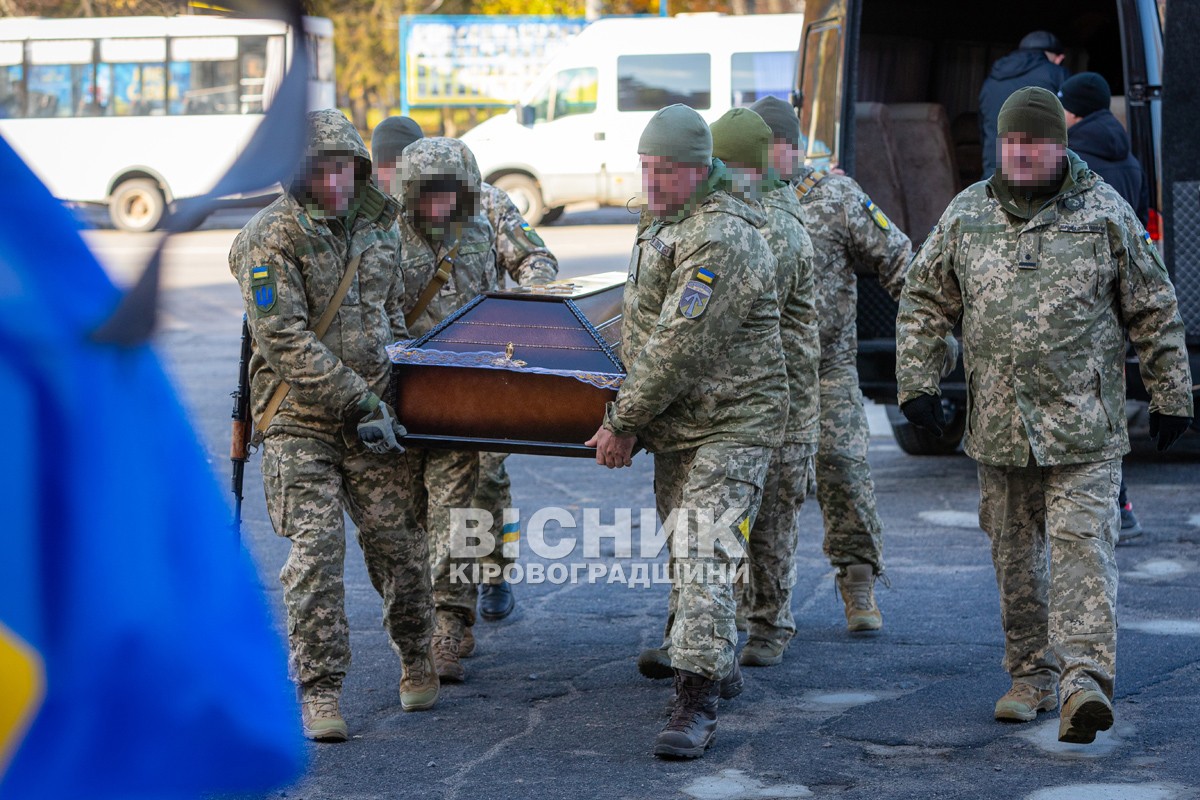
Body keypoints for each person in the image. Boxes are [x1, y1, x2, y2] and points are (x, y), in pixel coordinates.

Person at [895, 87, 1193, 744]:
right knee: (1014, 560)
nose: (1023, 153)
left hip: (1084, 426)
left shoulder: (1104, 213)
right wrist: (918, 384)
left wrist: (1171, 392)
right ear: (1000, 145)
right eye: (1013, 142)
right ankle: (1030, 676)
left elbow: (1154, 305)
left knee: (1083, 549)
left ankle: (1084, 682)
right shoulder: (966, 215)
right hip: (1000, 429)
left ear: (1061, 145)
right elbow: (923, 302)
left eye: (1036, 142)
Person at [229, 109, 440, 742]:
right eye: (322, 168)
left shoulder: (381, 229)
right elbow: (285, 338)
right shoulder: (265, 239)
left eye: (346, 166)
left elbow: (393, 314)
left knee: (399, 546)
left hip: (376, 418)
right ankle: (319, 690)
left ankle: (416, 652)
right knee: (316, 552)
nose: (337, 179)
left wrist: (416, 390)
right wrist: (361, 400)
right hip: (301, 419)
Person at [587, 103, 788, 759]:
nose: (651, 181)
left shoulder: (722, 236)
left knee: (704, 548)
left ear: (700, 169)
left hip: (734, 422)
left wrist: (623, 420)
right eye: (645, 167)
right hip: (681, 421)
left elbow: (680, 344)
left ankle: (694, 704)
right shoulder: (666, 220)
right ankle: (716, 659)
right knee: (689, 551)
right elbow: (641, 321)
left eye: (665, 170)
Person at [374, 127, 557, 684]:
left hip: (469, 395)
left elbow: (537, 262)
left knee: (465, 508)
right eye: (427, 193)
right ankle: (418, 622)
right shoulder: (378, 231)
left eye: (449, 192)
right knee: (400, 523)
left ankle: (452, 622)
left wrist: (523, 314)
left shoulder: (486, 219)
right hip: (400, 396)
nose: (439, 205)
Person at [750, 95, 913, 633]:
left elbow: (898, 258)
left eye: (766, 146)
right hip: (761, 375)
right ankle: (763, 605)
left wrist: (925, 330)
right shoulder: (736, 201)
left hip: (828, 368)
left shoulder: (836, 196)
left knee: (844, 470)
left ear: (792, 148)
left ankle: (858, 582)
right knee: (769, 488)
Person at [1059, 71, 1152, 541]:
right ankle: (1123, 505)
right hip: (1115, 301)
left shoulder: (1072, 160)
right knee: (1107, 404)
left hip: (1072, 302)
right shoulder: (1131, 159)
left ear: (1073, 109)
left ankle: (1097, 511)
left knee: (1072, 410)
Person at [979, 30, 1070, 178]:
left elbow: (984, 128)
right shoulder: (1057, 74)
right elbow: (1071, 123)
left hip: (995, 174)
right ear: (1056, 57)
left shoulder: (992, 79)